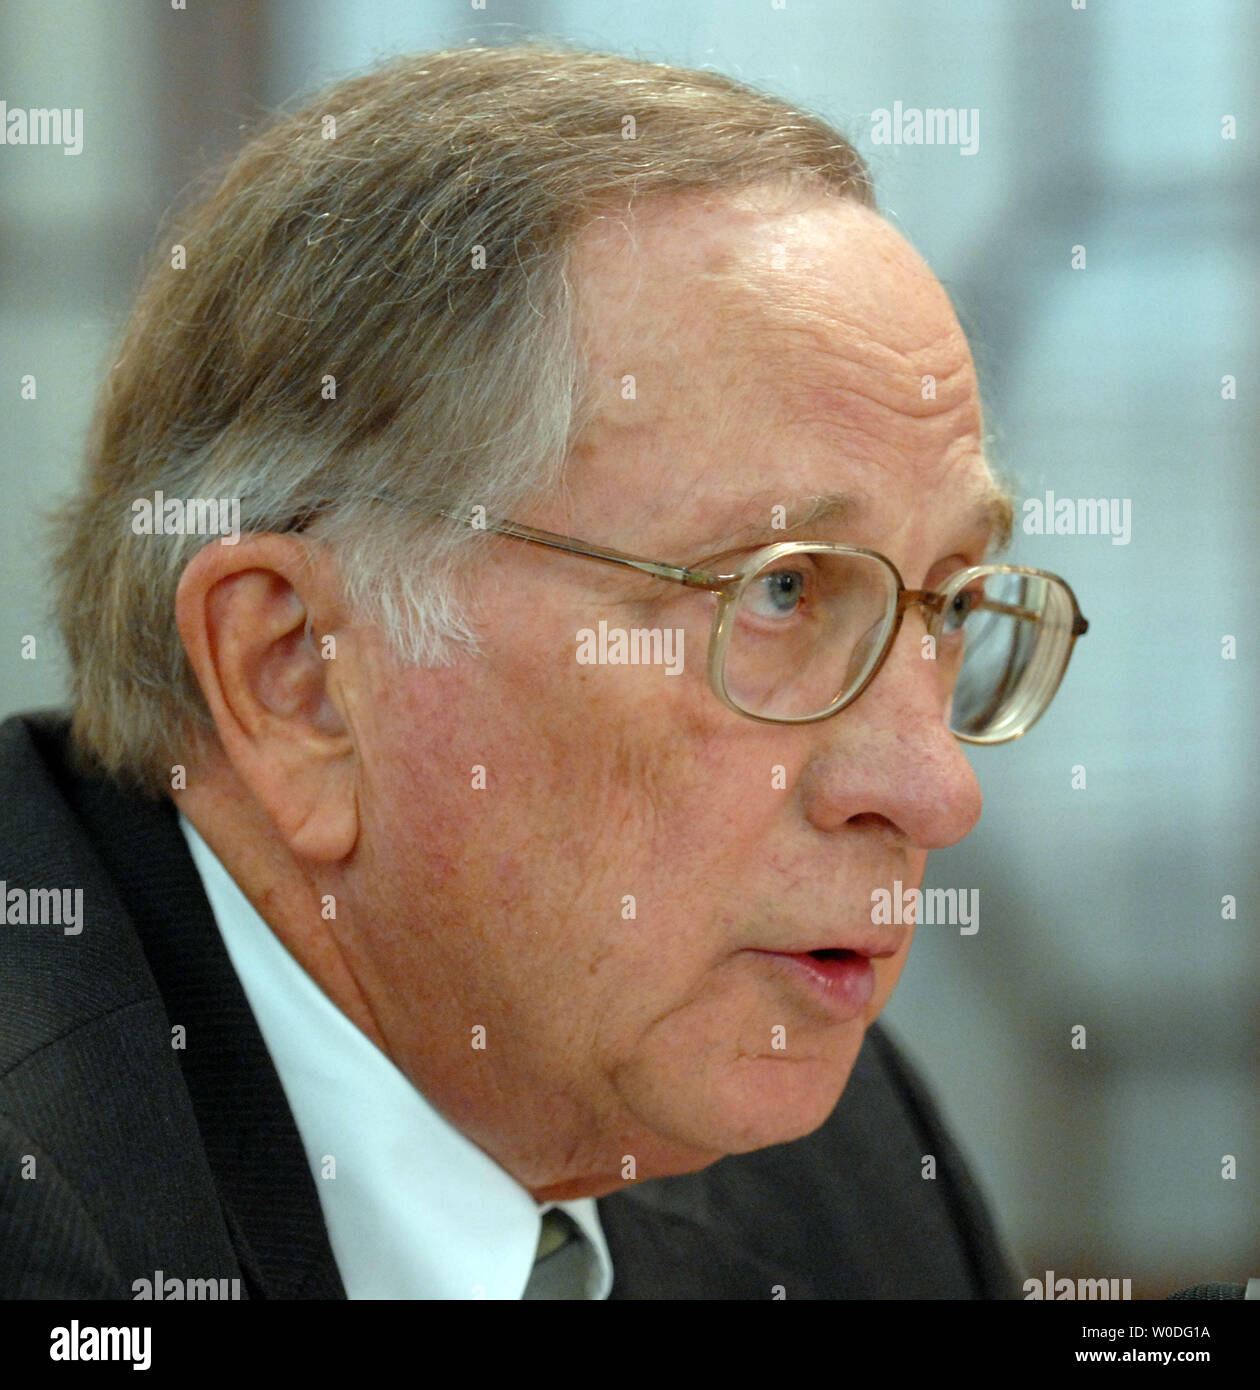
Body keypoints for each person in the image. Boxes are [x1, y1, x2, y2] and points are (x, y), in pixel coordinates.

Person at [0, 43, 1086, 1299]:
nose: (935, 788)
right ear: (296, 675)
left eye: (945, 603)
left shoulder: (832, 1158)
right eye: (779, 589)